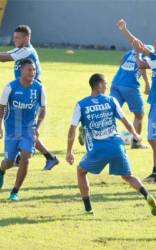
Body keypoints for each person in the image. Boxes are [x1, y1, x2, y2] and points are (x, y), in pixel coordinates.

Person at [66, 73, 156, 215]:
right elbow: (125, 120)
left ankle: (88, 209)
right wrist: (135, 134)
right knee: (128, 176)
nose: (107, 86)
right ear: (99, 85)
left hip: (98, 148)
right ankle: (147, 195)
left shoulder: (81, 104)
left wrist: (69, 151)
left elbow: (72, 129)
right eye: (105, 83)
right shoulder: (111, 100)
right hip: (117, 145)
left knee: (81, 171)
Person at [0, 25, 59, 171]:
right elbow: (5, 53)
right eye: (14, 38)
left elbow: (3, 58)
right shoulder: (21, 49)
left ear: (27, 38)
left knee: (25, 129)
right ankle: (32, 157)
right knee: (22, 129)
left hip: (30, 94)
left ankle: (48, 157)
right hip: (22, 91)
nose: (14, 40)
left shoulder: (27, 51)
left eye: (17, 38)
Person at [0, 59, 47, 201]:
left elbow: (43, 108)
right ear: (21, 71)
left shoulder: (39, 88)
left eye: (34, 70)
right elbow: (0, 108)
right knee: (9, 162)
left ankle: (14, 192)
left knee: (26, 157)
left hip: (29, 129)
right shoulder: (10, 87)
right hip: (12, 129)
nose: (32, 72)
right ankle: (1, 170)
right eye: (29, 69)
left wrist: (38, 127)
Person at [116, 19, 156, 183]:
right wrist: (125, 30)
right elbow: (140, 57)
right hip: (154, 101)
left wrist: (126, 31)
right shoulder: (153, 58)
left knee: (153, 138)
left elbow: (139, 46)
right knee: (152, 138)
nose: (154, 43)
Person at [111, 47, 150, 149]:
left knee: (110, 111)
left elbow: (121, 61)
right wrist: (147, 82)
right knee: (139, 114)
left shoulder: (133, 50)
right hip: (130, 86)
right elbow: (142, 66)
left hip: (116, 83)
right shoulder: (149, 52)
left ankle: (87, 131)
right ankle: (136, 142)